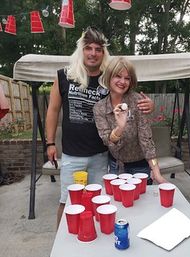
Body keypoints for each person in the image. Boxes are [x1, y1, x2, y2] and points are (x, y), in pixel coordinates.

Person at [45, 27, 155, 227]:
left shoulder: (109, 78)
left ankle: (93, 236)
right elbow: (52, 110)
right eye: (88, 48)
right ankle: (61, 243)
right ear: (81, 50)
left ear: (103, 53)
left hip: (101, 154)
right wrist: (50, 142)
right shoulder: (64, 76)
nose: (93, 53)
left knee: (100, 200)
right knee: (67, 201)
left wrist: (149, 104)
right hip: (72, 153)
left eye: (98, 49)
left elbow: (130, 96)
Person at [93, 56, 167, 184]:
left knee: (143, 201)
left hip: (140, 166)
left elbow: (146, 140)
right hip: (115, 166)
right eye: (118, 76)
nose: (122, 81)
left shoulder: (138, 101)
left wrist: (156, 173)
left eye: (127, 78)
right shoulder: (99, 108)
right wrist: (120, 128)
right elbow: (107, 140)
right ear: (109, 77)